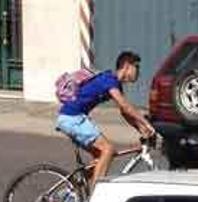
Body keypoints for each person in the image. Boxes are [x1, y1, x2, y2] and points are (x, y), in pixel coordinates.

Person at [55, 51, 155, 189]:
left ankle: (73, 189)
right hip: (72, 118)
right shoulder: (109, 80)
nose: (138, 71)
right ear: (126, 66)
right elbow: (125, 106)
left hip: (73, 118)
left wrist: (141, 129)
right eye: (136, 67)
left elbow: (124, 113)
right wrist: (147, 124)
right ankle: (96, 196)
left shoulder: (114, 83)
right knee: (108, 150)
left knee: (102, 158)